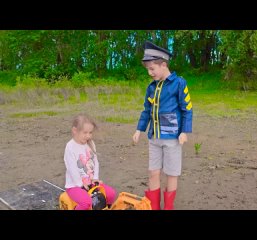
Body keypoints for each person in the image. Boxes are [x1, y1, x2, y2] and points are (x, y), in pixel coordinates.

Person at [132, 40, 193, 210]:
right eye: (148, 70)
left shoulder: (179, 83)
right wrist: (139, 130)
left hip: (173, 138)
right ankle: (154, 207)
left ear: (163, 65)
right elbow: (146, 111)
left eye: (152, 69)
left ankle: (168, 207)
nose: (150, 73)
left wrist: (184, 131)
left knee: (172, 174)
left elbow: (187, 108)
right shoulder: (151, 87)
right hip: (154, 138)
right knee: (153, 172)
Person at [64, 113, 117, 210]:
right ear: (75, 131)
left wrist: (95, 178)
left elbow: (95, 162)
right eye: (85, 133)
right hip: (74, 186)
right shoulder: (70, 147)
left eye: (90, 132)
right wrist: (81, 184)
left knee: (111, 194)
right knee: (86, 202)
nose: (88, 136)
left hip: (91, 183)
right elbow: (72, 169)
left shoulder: (90, 143)